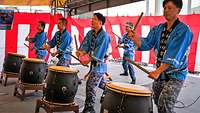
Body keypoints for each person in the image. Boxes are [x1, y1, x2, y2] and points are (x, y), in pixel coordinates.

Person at [128, 0, 193, 113]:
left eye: (169, 8)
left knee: (165, 103)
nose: (166, 10)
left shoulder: (184, 31)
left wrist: (157, 71)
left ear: (178, 10)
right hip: (160, 72)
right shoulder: (158, 29)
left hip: (176, 74)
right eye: (164, 8)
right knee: (157, 100)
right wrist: (135, 38)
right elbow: (147, 43)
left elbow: (174, 54)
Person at [76, 13, 110, 113]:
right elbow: (85, 45)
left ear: (100, 22)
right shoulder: (90, 33)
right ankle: (109, 89)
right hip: (93, 65)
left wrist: (87, 59)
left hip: (100, 66)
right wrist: (81, 52)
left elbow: (98, 53)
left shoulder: (104, 36)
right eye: (92, 19)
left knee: (90, 85)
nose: (91, 20)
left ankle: (89, 109)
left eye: (94, 19)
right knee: (99, 83)